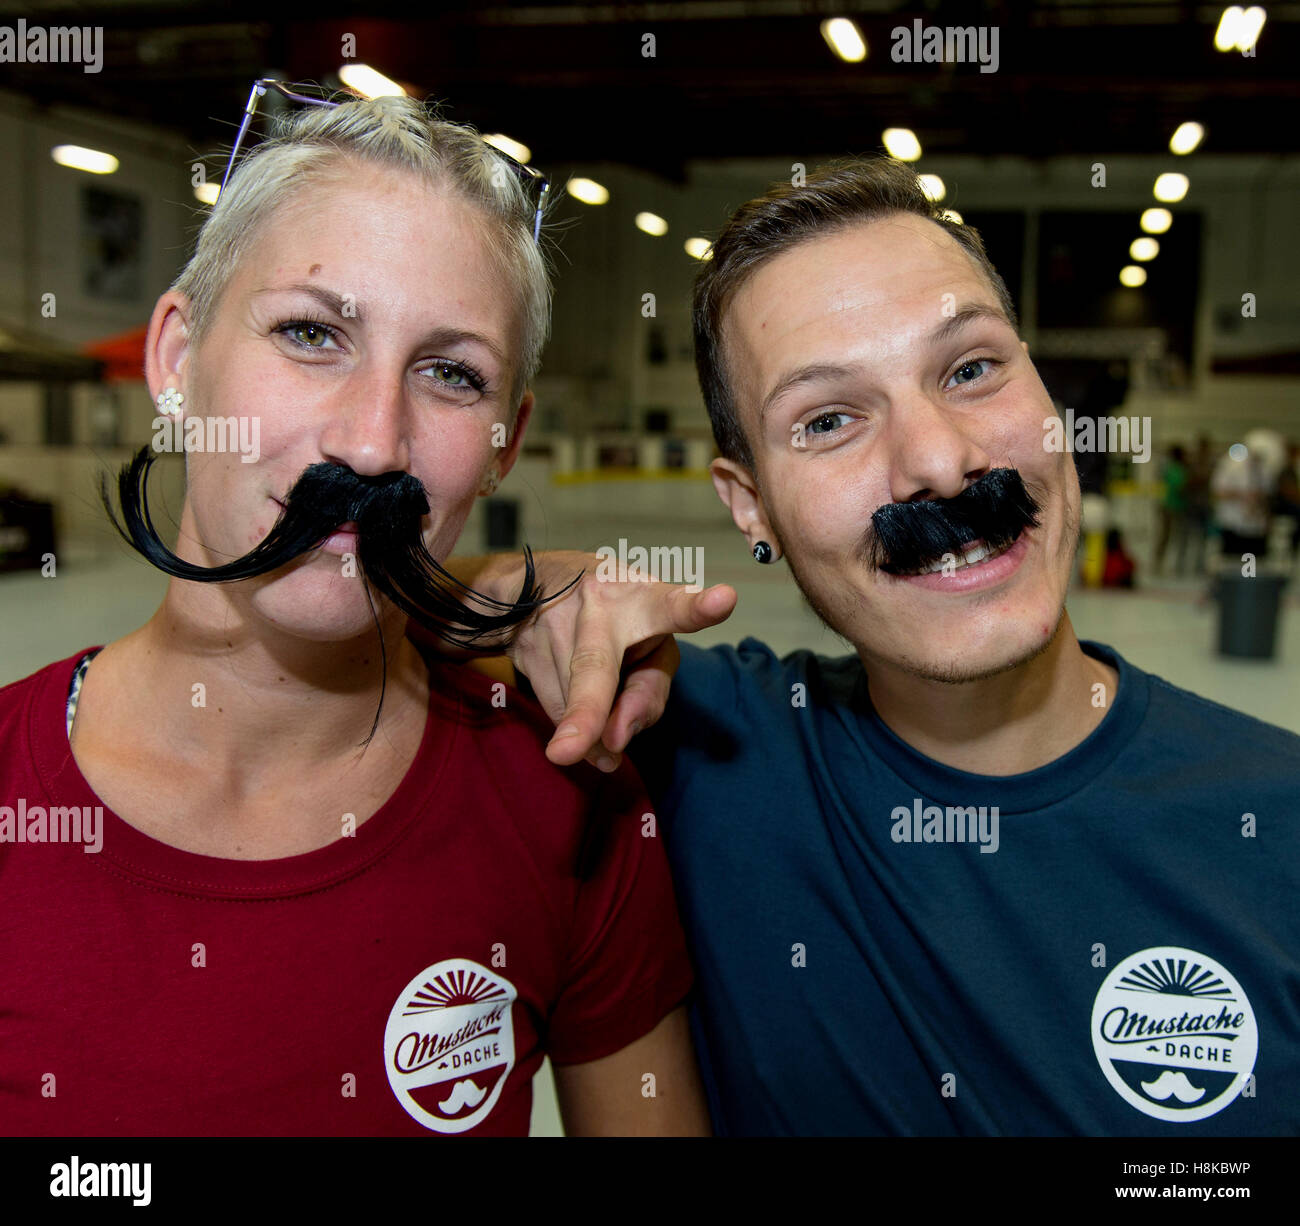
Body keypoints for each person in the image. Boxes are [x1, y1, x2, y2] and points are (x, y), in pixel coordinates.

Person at [446, 158, 1300, 1136]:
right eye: (828, 419)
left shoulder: (1276, 824)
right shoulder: (695, 754)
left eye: (971, 368)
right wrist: (535, 590)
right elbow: (355, 600)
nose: (939, 460)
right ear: (749, 502)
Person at [0, 88, 711, 1138]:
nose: (374, 442)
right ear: (176, 359)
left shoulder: (568, 803)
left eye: (449, 373)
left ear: (505, 441)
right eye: (311, 332)